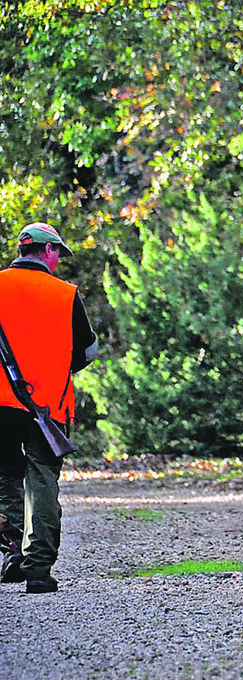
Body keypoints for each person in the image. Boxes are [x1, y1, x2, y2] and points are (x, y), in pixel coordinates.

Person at [0, 222, 98, 594]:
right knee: (41, 479)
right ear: (49, 251)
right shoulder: (65, 294)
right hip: (44, 409)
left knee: (5, 476)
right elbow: (86, 351)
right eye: (59, 253)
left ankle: (11, 554)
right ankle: (38, 570)